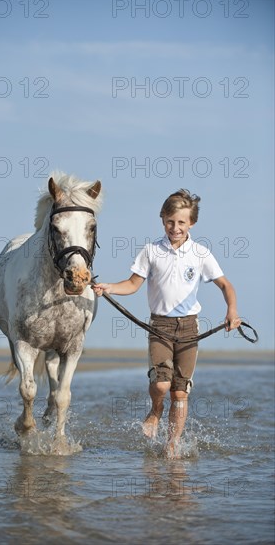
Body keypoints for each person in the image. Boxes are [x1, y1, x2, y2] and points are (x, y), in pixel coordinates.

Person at [92, 189, 241, 459]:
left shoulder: (200, 253)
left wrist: (232, 311)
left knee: (180, 391)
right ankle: (155, 410)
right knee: (161, 385)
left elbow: (225, 285)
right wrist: (109, 287)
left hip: (189, 329)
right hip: (159, 326)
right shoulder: (151, 251)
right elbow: (133, 284)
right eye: (171, 221)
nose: (176, 227)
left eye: (182, 222)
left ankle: (172, 445)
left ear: (191, 224)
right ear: (162, 219)